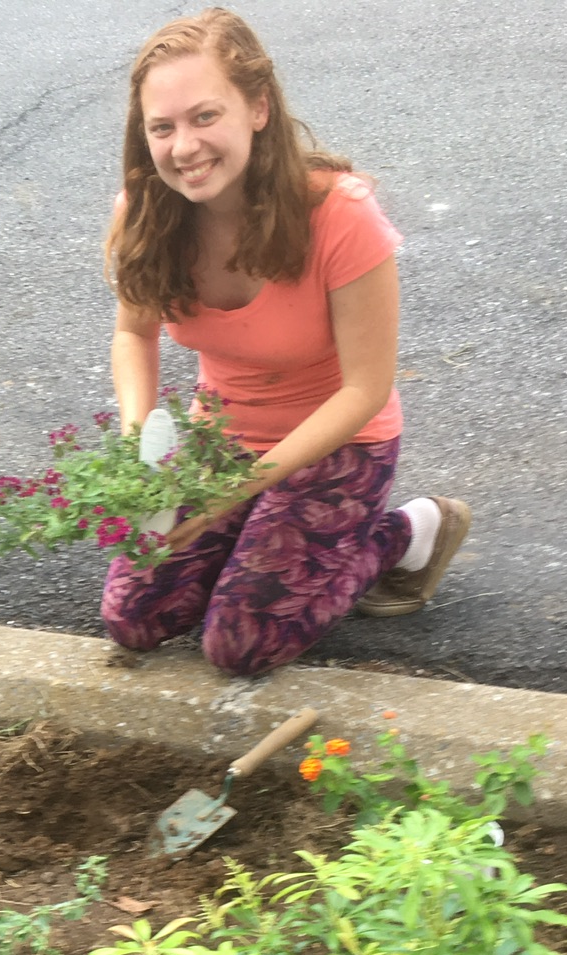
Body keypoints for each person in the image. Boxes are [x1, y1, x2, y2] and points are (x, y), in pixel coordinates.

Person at [100, 9, 470, 673]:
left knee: (238, 643)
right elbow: (133, 334)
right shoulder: (145, 210)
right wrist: (138, 450)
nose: (183, 146)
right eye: (162, 127)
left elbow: (365, 388)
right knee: (133, 618)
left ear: (258, 109)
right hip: (221, 439)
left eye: (204, 116)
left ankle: (403, 533)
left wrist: (242, 490)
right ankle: (262, 532)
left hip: (340, 443)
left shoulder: (339, 214)